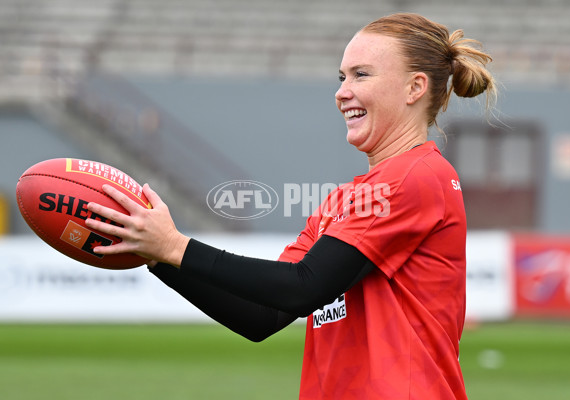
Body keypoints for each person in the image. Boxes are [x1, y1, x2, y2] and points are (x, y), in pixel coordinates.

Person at [85, 12, 496, 400]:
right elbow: (262, 316)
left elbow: (305, 287)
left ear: (415, 88)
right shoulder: (346, 200)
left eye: (361, 74)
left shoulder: (413, 177)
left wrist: (177, 248)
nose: (342, 92)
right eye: (341, 77)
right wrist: (157, 257)